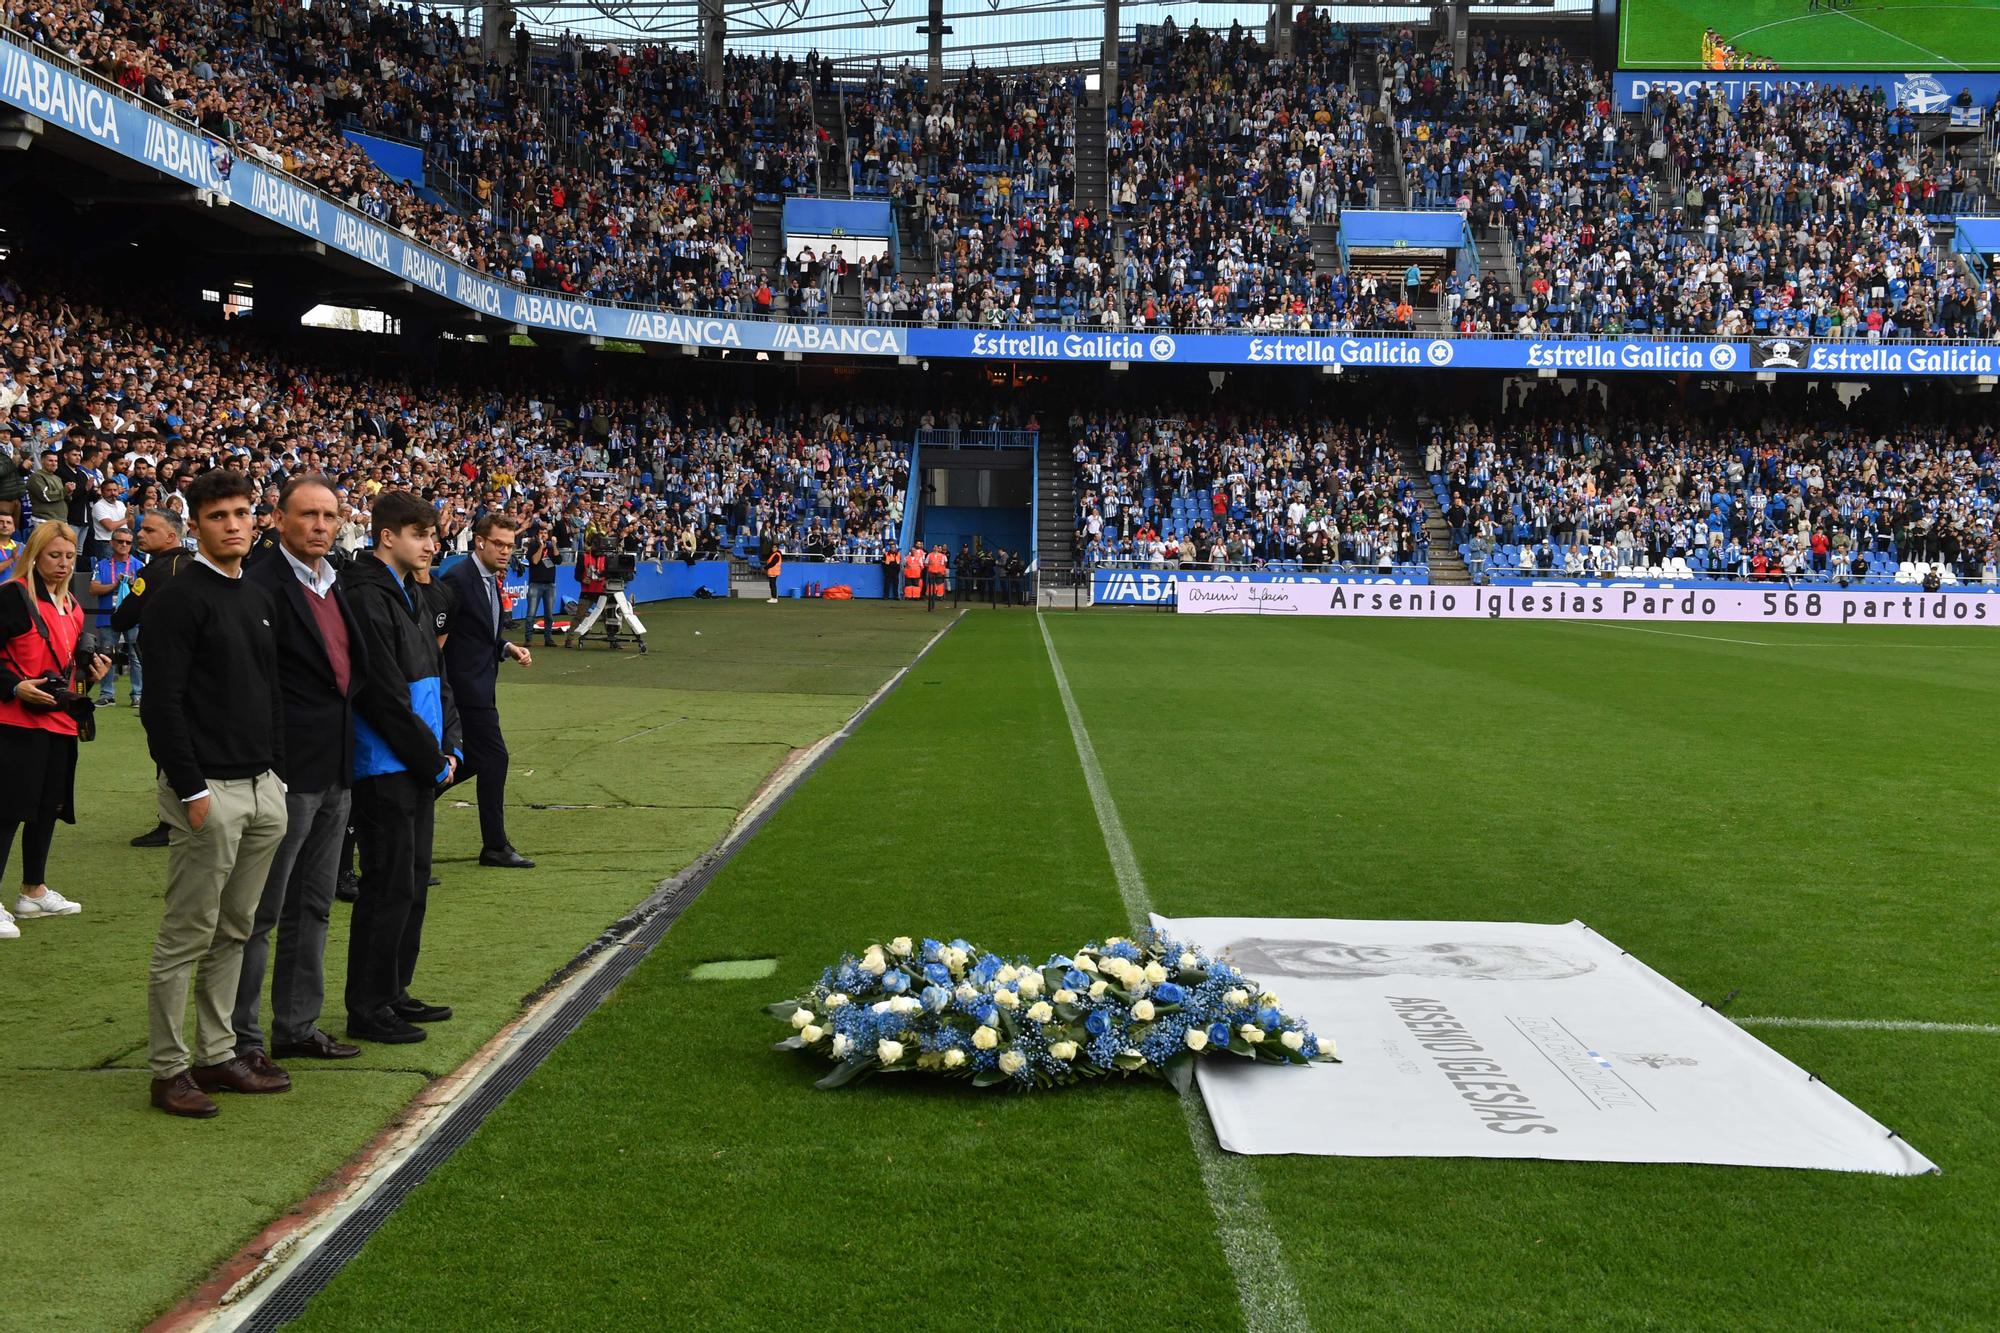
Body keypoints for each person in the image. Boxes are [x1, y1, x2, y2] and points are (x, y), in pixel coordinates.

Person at [141, 471, 291, 1118]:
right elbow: (160, 704)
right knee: (188, 932)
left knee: (237, 927)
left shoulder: (255, 595)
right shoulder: (177, 598)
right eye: (218, 515)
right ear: (195, 525)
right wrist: (191, 786)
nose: (233, 524)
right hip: (210, 790)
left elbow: (269, 690)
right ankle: (168, 1069)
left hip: (262, 787)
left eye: (241, 512)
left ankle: (217, 1051)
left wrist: (277, 774)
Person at [232, 477, 367, 1066]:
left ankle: (296, 1025)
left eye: (329, 516)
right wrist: (275, 766)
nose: (320, 525)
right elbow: (256, 686)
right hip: (284, 774)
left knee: (312, 903)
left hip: (336, 766)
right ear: (278, 519)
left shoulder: (336, 581)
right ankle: (241, 1038)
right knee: (259, 912)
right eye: (308, 514)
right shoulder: (260, 584)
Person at [344, 491, 461, 1047]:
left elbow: (436, 677)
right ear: (387, 536)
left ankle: (393, 990)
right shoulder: (367, 595)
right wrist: (430, 758)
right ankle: (367, 1005)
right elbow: (383, 696)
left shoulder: (411, 593)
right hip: (386, 765)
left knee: (411, 883)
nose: (430, 544)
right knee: (386, 886)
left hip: (417, 763)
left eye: (432, 534)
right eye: (420, 534)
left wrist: (451, 748)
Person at [0, 523, 110, 942]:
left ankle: (33, 891)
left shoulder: (72, 607)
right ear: (34, 555)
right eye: (54, 556)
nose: (63, 565)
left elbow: (71, 676)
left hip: (59, 722)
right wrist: (14, 686)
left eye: (69, 557)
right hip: (15, 722)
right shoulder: (12, 596)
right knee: (7, 812)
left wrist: (90, 678)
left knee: (48, 808)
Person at [440, 514, 535, 870]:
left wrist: (507, 647)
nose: (506, 552)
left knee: (473, 761)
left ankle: (415, 802)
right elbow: (439, 640)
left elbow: (478, 635)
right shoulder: (458, 579)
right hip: (464, 690)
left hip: (479, 684)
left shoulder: (487, 579)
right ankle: (494, 845)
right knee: (495, 758)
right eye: (499, 544)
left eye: (510, 546)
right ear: (479, 541)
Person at [114, 509, 196, 849]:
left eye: (149, 529)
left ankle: (170, 823)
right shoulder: (197, 567)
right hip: (199, 674)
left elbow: (123, 617)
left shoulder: (156, 570)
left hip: (166, 674)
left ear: (171, 536)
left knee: (165, 747)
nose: (141, 534)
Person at [88, 527, 143, 706]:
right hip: (107, 616)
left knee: (136, 656)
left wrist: (134, 586)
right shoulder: (101, 565)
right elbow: (93, 589)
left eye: (128, 542)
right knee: (106, 656)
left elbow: (147, 594)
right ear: (111, 543)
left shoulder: (139, 565)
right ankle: (107, 694)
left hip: (133, 617)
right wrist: (115, 584)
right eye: (120, 541)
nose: (124, 545)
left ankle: (138, 694)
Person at [521, 526, 560, 647]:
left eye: (545, 533)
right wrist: (541, 547)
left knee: (549, 614)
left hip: (550, 585)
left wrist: (553, 545)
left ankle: (548, 638)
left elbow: (558, 560)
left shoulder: (551, 547)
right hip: (535, 584)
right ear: (537, 535)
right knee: (531, 613)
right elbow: (535, 561)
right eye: (541, 533)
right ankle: (528, 638)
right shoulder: (532, 546)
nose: (543, 535)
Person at [924, 542, 947, 610]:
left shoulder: (942, 556)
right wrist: (931, 566)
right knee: (931, 585)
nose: (935, 548)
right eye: (934, 547)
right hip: (931, 572)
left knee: (940, 584)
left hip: (939, 572)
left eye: (936, 547)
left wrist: (942, 570)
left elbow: (944, 563)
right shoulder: (929, 555)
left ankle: (939, 597)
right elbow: (925, 563)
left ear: (938, 548)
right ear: (933, 548)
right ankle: (930, 596)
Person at [761, 533, 782, 602]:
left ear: (777, 548)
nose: (773, 548)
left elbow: (773, 563)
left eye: (775, 547)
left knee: (772, 585)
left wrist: (765, 567)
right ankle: (773, 597)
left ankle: (774, 598)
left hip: (774, 571)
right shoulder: (774, 554)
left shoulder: (777, 554)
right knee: (772, 584)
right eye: (773, 547)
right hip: (772, 571)